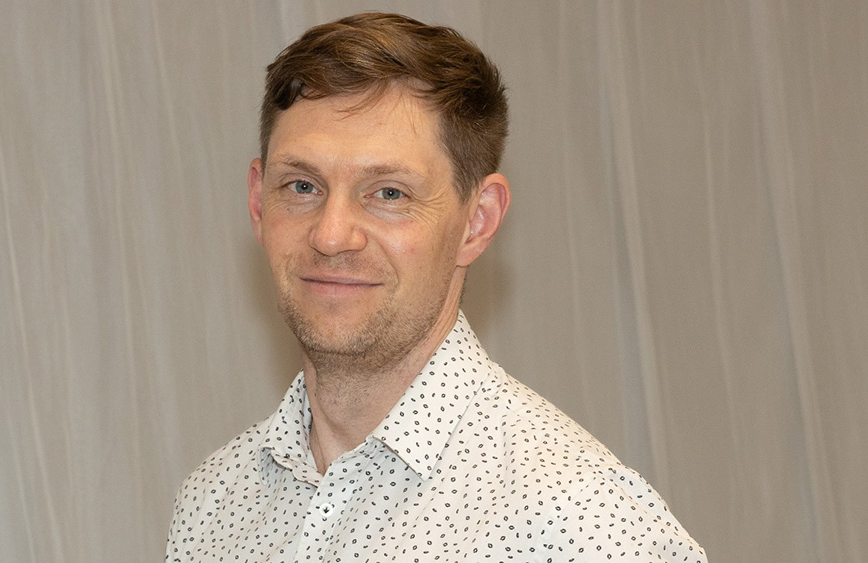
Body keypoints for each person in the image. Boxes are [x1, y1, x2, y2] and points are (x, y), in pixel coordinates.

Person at [166, 12, 706, 562]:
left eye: (389, 194)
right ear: (258, 203)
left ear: (478, 221)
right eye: (302, 186)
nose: (331, 236)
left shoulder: (577, 523)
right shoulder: (211, 505)